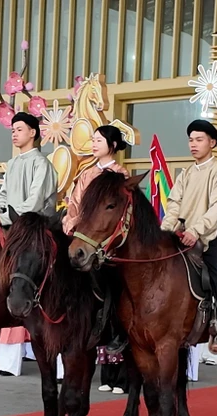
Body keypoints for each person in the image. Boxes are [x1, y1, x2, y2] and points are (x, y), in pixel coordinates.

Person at [160, 120, 217, 355]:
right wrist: (163, 232)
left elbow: (216, 209)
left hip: (213, 234)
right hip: (182, 233)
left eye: (199, 139)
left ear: (212, 143)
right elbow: (174, 205)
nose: (193, 144)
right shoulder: (185, 174)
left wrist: (196, 231)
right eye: (191, 140)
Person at [62, 124, 130, 355]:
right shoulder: (86, 174)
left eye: (98, 141)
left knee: (110, 278)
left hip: (107, 241)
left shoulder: (120, 175)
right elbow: (74, 204)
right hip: (83, 235)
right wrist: (72, 224)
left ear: (112, 145)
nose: (93, 144)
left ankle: (114, 326)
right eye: (92, 140)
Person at [0, 112, 58, 227]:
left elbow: (35, 201)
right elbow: (4, 194)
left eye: (19, 130)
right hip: (11, 224)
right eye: (13, 131)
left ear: (32, 132)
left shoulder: (41, 163)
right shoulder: (12, 163)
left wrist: (4, 218)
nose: (14, 134)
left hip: (34, 228)